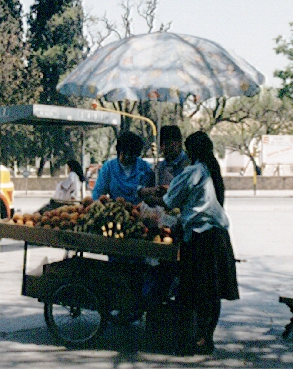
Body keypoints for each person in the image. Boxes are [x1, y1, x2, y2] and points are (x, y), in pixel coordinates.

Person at [142, 131, 239, 355]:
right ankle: (206, 339)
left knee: (193, 292)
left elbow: (168, 202)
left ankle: (192, 340)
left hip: (201, 238)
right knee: (211, 293)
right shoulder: (210, 170)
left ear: (192, 150)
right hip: (217, 236)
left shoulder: (193, 171)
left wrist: (147, 197)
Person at [92, 131, 155, 204]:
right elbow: (98, 192)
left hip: (139, 210)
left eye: (131, 154)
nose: (127, 157)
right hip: (116, 210)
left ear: (137, 154)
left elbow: (153, 190)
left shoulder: (145, 167)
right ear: (118, 151)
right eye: (124, 153)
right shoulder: (108, 167)